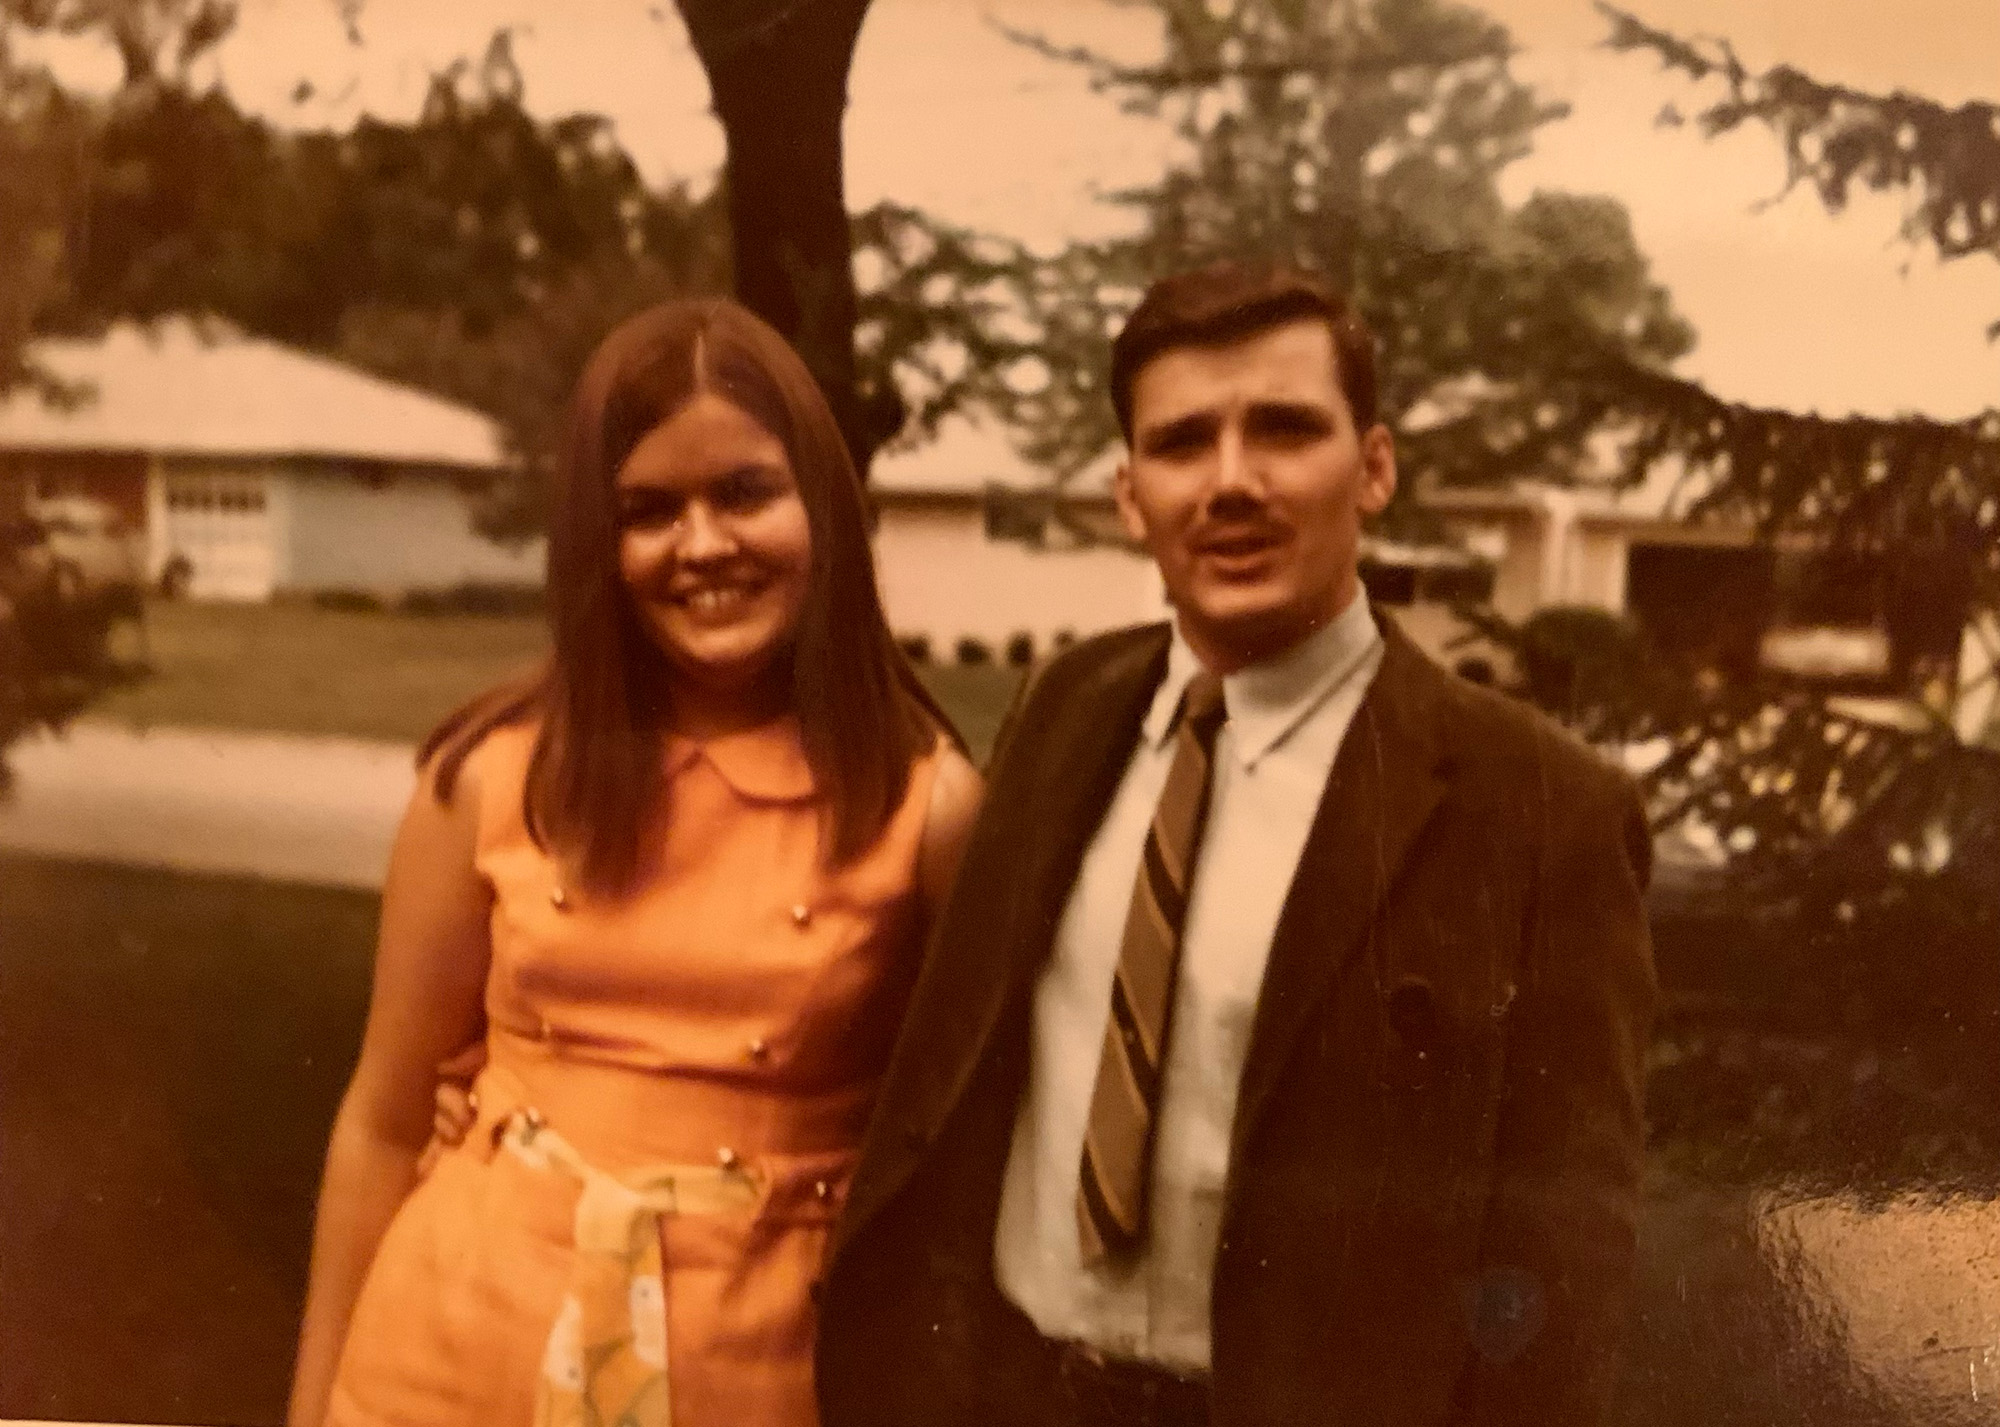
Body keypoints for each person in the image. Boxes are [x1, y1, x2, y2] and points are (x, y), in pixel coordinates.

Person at [814, 262, 1656, 1427]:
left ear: (1372, 467)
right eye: (1180, 443)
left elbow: (1559, 1271)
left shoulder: (1538, 808)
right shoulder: (1064, 707)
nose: (1229, 482)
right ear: (1127, 494)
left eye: (1282, 429)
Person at [286, 298, 982, 1427]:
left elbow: (959, 1169)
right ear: (594, 544)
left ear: (825, 507)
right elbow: (382, 1119)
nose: (702, 544)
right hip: (448, 1356)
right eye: (648, 509)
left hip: (759, 1373)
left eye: (746, 492)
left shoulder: (925, 806)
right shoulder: (493, 776)